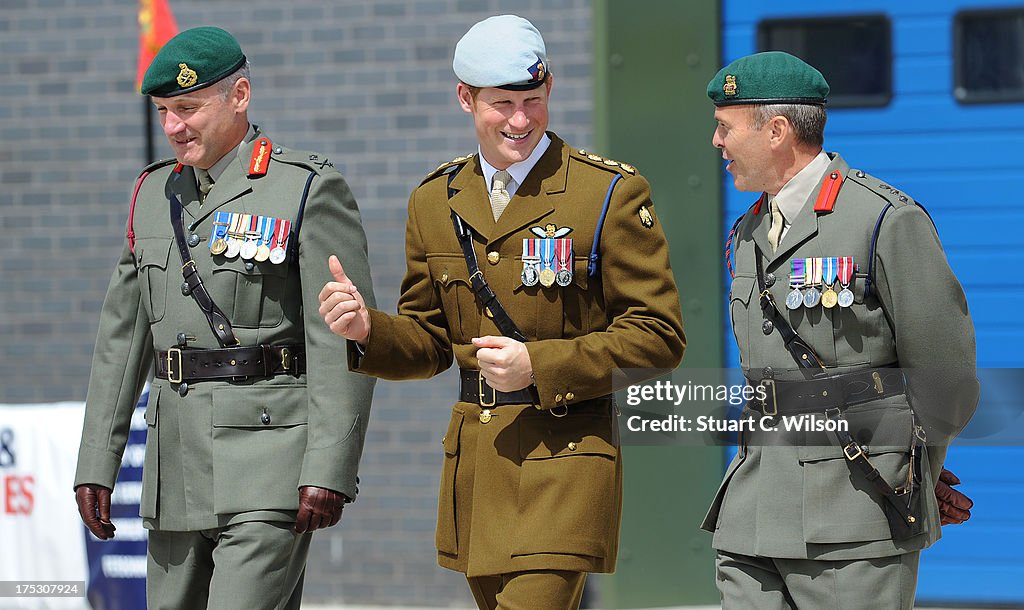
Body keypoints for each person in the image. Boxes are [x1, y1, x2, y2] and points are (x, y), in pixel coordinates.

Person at [318, 14, 684, 610]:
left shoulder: (609, 193)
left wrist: (537, 366)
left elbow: (659, 339)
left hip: (566, 462)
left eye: (533, 100)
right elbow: (431, 343)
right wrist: (367, 330)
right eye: (502, 103)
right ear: (465, 98)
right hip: (478, 469)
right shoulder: (434, 200)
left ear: (550, 89)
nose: (519, 120)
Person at [73, 26, 375, 609]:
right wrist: (96, 463)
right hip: (174, 468)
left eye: (187, 108)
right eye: (164, 111)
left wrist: (330, 466)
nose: (173, 127)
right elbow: (122, 340)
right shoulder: (152, 194)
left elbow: (340, 339)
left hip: (269, 460)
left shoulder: (306, 188)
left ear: (239, 96)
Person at [702, 51, 979, 608]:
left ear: (776, 131)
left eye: (725, 127)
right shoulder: (748, 232)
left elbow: (945, 383)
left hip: (852, 520)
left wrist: (916, 475)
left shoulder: (884, 220)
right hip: (751, 516)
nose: (716, 142)